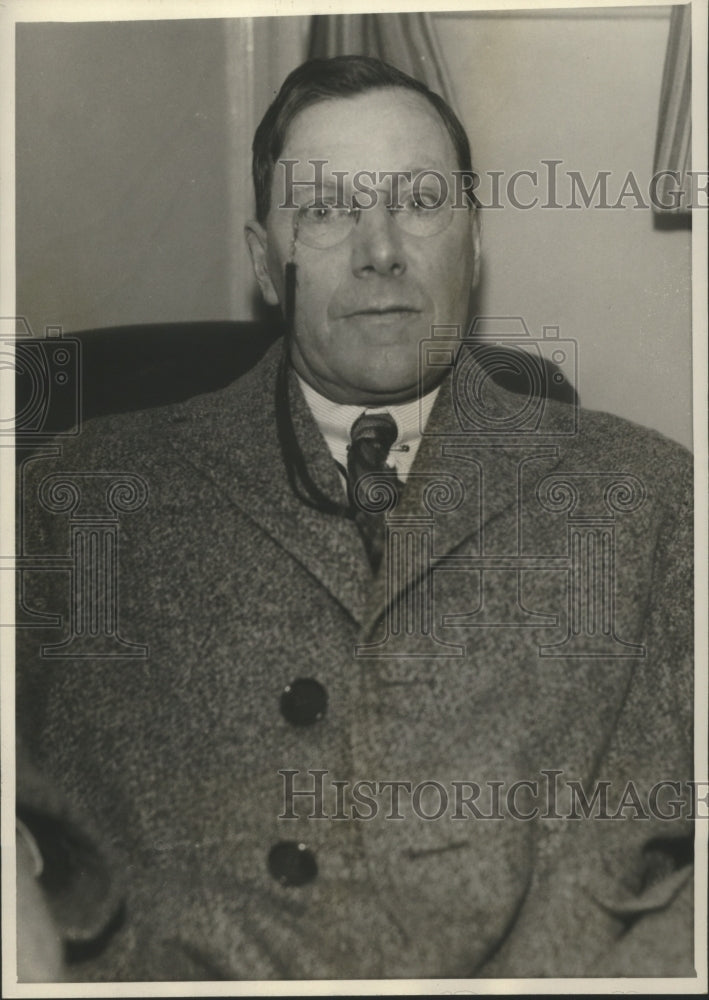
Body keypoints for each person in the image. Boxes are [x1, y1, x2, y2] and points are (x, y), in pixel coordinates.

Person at [17, 55, 694, 981]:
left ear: (474, 242)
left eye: (418, 200)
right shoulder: (73, 498)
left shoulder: (649, 499)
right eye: (327, 210)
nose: (380, 247)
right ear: (265, 262)